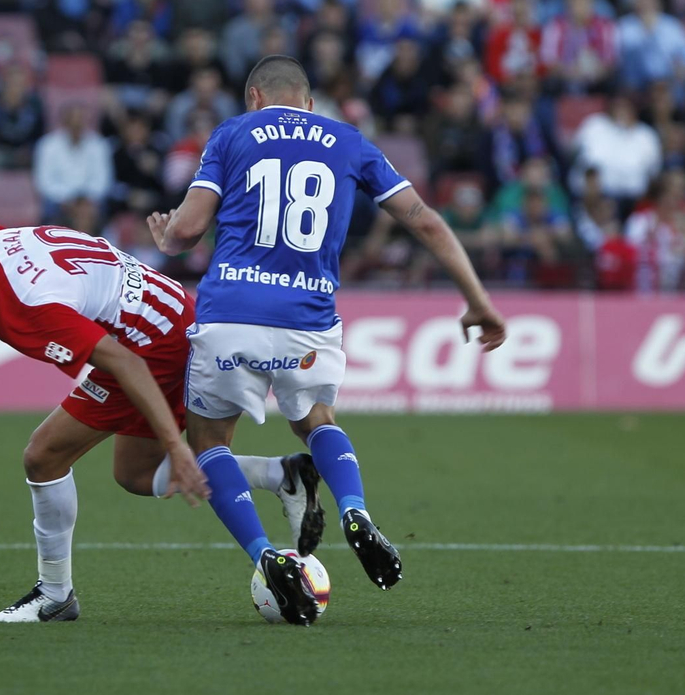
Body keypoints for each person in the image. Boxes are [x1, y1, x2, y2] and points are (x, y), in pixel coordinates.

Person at [149, 56, 507, 624]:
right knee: (318, 420)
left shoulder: (233, 133)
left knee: (211, 442)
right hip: (308, 318)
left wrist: (167, 236)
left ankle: (266, 556)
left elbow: (188, 231)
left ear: (255, 99)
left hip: (232, 315)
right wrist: (478, 300)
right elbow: (426, 222)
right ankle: (356, 511)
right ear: (310, 103)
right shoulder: (347, 140)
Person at [0, 204, 297, 624]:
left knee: (43, 456)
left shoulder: (31, 311)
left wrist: (178, 444)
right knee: (133, 474)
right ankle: (281, 475)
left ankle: (54, 597)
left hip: (155, 345)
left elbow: (124, 362)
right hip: (161, 312)